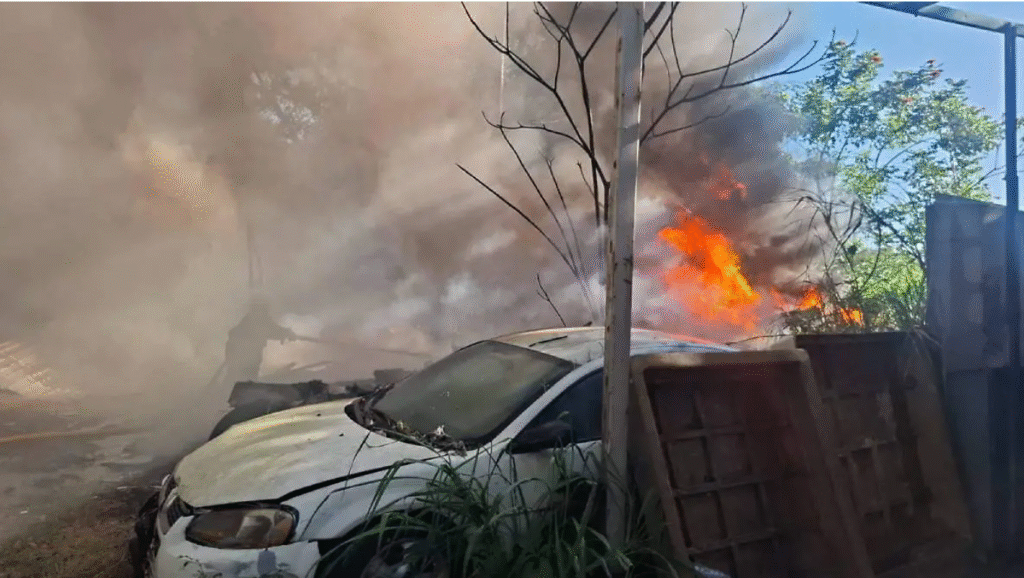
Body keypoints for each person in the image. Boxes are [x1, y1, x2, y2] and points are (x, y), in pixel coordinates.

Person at [222, 297, 298, 388]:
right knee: (242, 378)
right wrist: (286, 333)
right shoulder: (254, 321)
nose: (262, 311)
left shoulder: (254, 320)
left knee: (240, 378)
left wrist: (286, 333)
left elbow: (272, 330)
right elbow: (273, 331)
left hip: (245, 358)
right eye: (260, 308)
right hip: (244, 359)